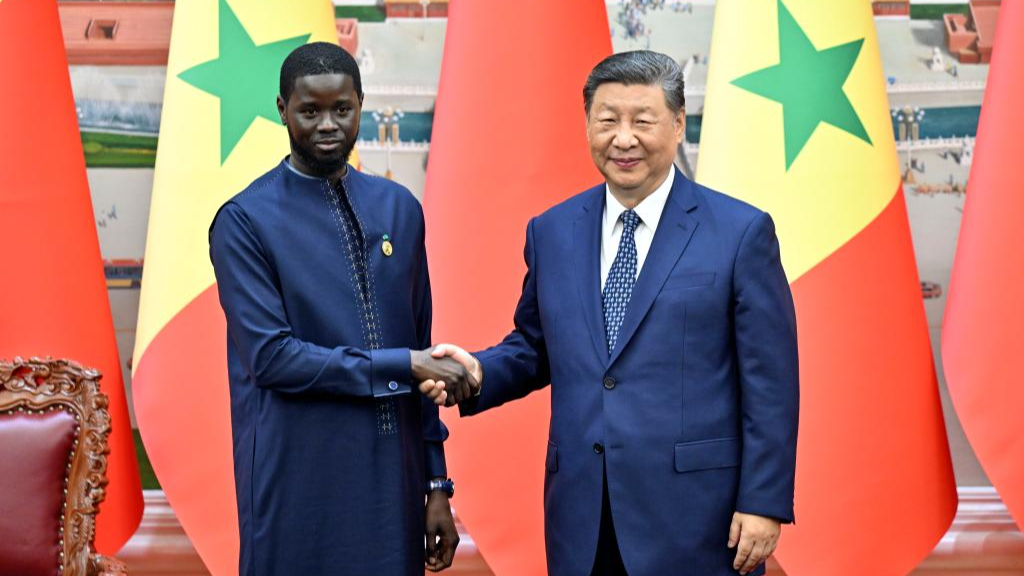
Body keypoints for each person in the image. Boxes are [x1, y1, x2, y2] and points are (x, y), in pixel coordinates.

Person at [423, 51, 799, 576]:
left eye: (642, 121)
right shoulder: (552, 231)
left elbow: (771, 383)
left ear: (677, 123)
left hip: (699, 518)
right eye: (607, 121)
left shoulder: (740, 233)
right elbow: (535, 347)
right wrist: (480, 370)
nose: (624, 138)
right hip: (582, 512)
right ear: (588, 126)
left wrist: (764, 501)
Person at [209, 42, 477, 575]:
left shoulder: (400, 209)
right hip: (297, 481)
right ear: (283, 109)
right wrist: (406, 365)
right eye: (310, 111)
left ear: (362, 104)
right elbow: (273, 359)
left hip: (393, 485)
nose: (327, 124)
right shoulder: (244, 221)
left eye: (342, 109)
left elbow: (421, 349)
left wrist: (436, 485)